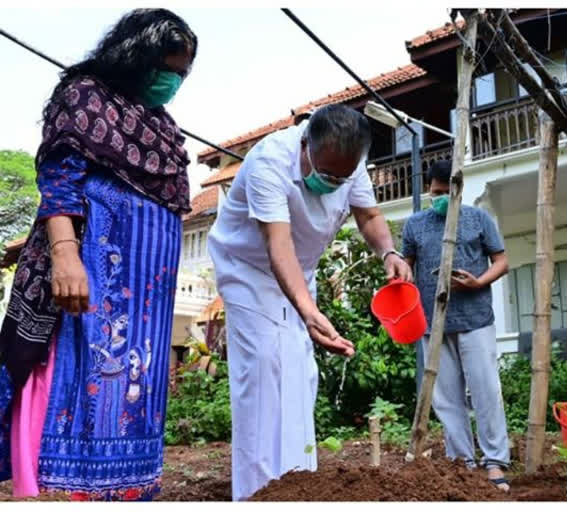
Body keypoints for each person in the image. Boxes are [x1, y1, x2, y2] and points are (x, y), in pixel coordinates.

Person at [0, 9, 197, 501]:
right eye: (164, 68)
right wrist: (66, 256)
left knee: (135, 388)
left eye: (181, 73)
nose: (171, 81)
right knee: (83, 377)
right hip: (92, 279)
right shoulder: (86, 98)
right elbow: (59, 179)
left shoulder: (161, 127)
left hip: (147, 301)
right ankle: (65, 488)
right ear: (135, 55)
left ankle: (128, 487)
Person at [207, 104, 412, 501]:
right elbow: (276, 245)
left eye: (343, 176)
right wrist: (310, 311)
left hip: (301, 273)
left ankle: (298, 483)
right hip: (248, 269)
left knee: (300, 373)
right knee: (264, 367)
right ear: (305, 144)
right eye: (327, 173)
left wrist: (389, 253)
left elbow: (368, 216)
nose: (334, 182)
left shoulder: (352, 165)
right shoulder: (270, 161)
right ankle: (257, 493)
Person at [401, 160, 511, 491]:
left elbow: (502, 261)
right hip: (432, 323)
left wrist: (478, 282)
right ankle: (462, 460)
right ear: (428, 190)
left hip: (475, 318)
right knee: (446, 397)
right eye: (435, 192)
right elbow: (406, 266)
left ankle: (495, 461)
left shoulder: (478, 218)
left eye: (447, 193)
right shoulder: (415, 225)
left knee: (485, 391)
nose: (440, 198)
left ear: (458, 191)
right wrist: (400, 278)